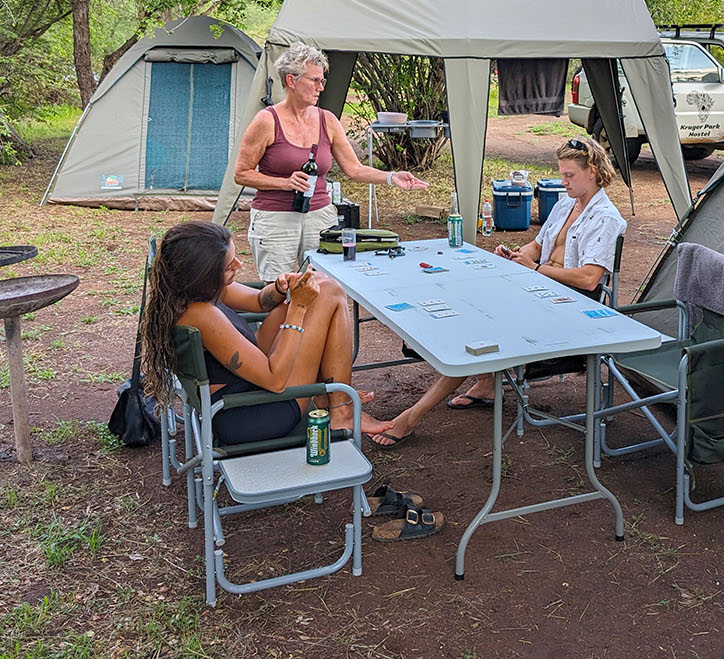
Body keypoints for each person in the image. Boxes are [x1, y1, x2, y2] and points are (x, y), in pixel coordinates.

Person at [368, 138, 625, 446]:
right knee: (467, 290)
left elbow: (589, 279)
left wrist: (535, 269)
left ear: (593, 171)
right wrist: (517, 253)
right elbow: (538, 247)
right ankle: (485, 381)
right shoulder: (565, 204)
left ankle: (411, 417)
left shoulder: (606, 218)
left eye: (569, 175)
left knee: (476, 331)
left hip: (568, 307)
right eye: (561, 173)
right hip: (538, 289)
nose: (563, 181)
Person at [139, 221, 394, 445]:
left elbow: (259, 302)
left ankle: (335, 401)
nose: (239, 265)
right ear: (203, 274)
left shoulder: (194, 291)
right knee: (330, 293)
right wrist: (299, 306)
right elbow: (275, 380)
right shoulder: (200, 314)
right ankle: (341, 409)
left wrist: (282, 288)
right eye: (229, 266)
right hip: (254, 412)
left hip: (251, 383)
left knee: (324, 285)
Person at [234, 43, 428, 280]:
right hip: (275, 220)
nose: (320, 88)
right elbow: (242, 173)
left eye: (322, 81)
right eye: (314, 80)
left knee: (322, 290)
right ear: (291, 81)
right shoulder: (266, 121)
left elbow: (354, 169)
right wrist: (284, 183)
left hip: (320, 217)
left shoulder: (328, 121)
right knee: (278, 292)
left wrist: (391, 176)